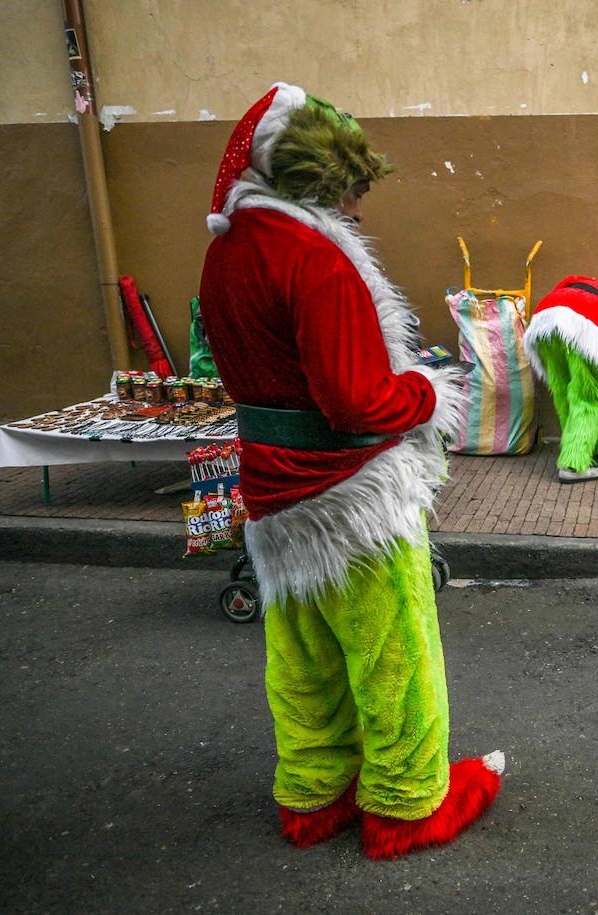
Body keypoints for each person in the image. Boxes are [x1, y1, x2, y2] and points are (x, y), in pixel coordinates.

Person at [197, 83, 503, 859]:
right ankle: (407, 804)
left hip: (274, 491)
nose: (358, 211)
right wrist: (428, 391)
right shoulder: (315, 258)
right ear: (320, 181)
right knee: (393, 652)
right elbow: (356, 399)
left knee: (303, 661)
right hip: (351, 496)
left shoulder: (227, 249)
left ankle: (312, 794)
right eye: (351, 192)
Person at [523, 276, 598, 482]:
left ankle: (581, 445)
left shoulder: (592, 288)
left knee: (564, 391)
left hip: (544, 323)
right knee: (591, 398)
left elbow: (562, 284)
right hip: (584, 330)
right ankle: (573, 465)